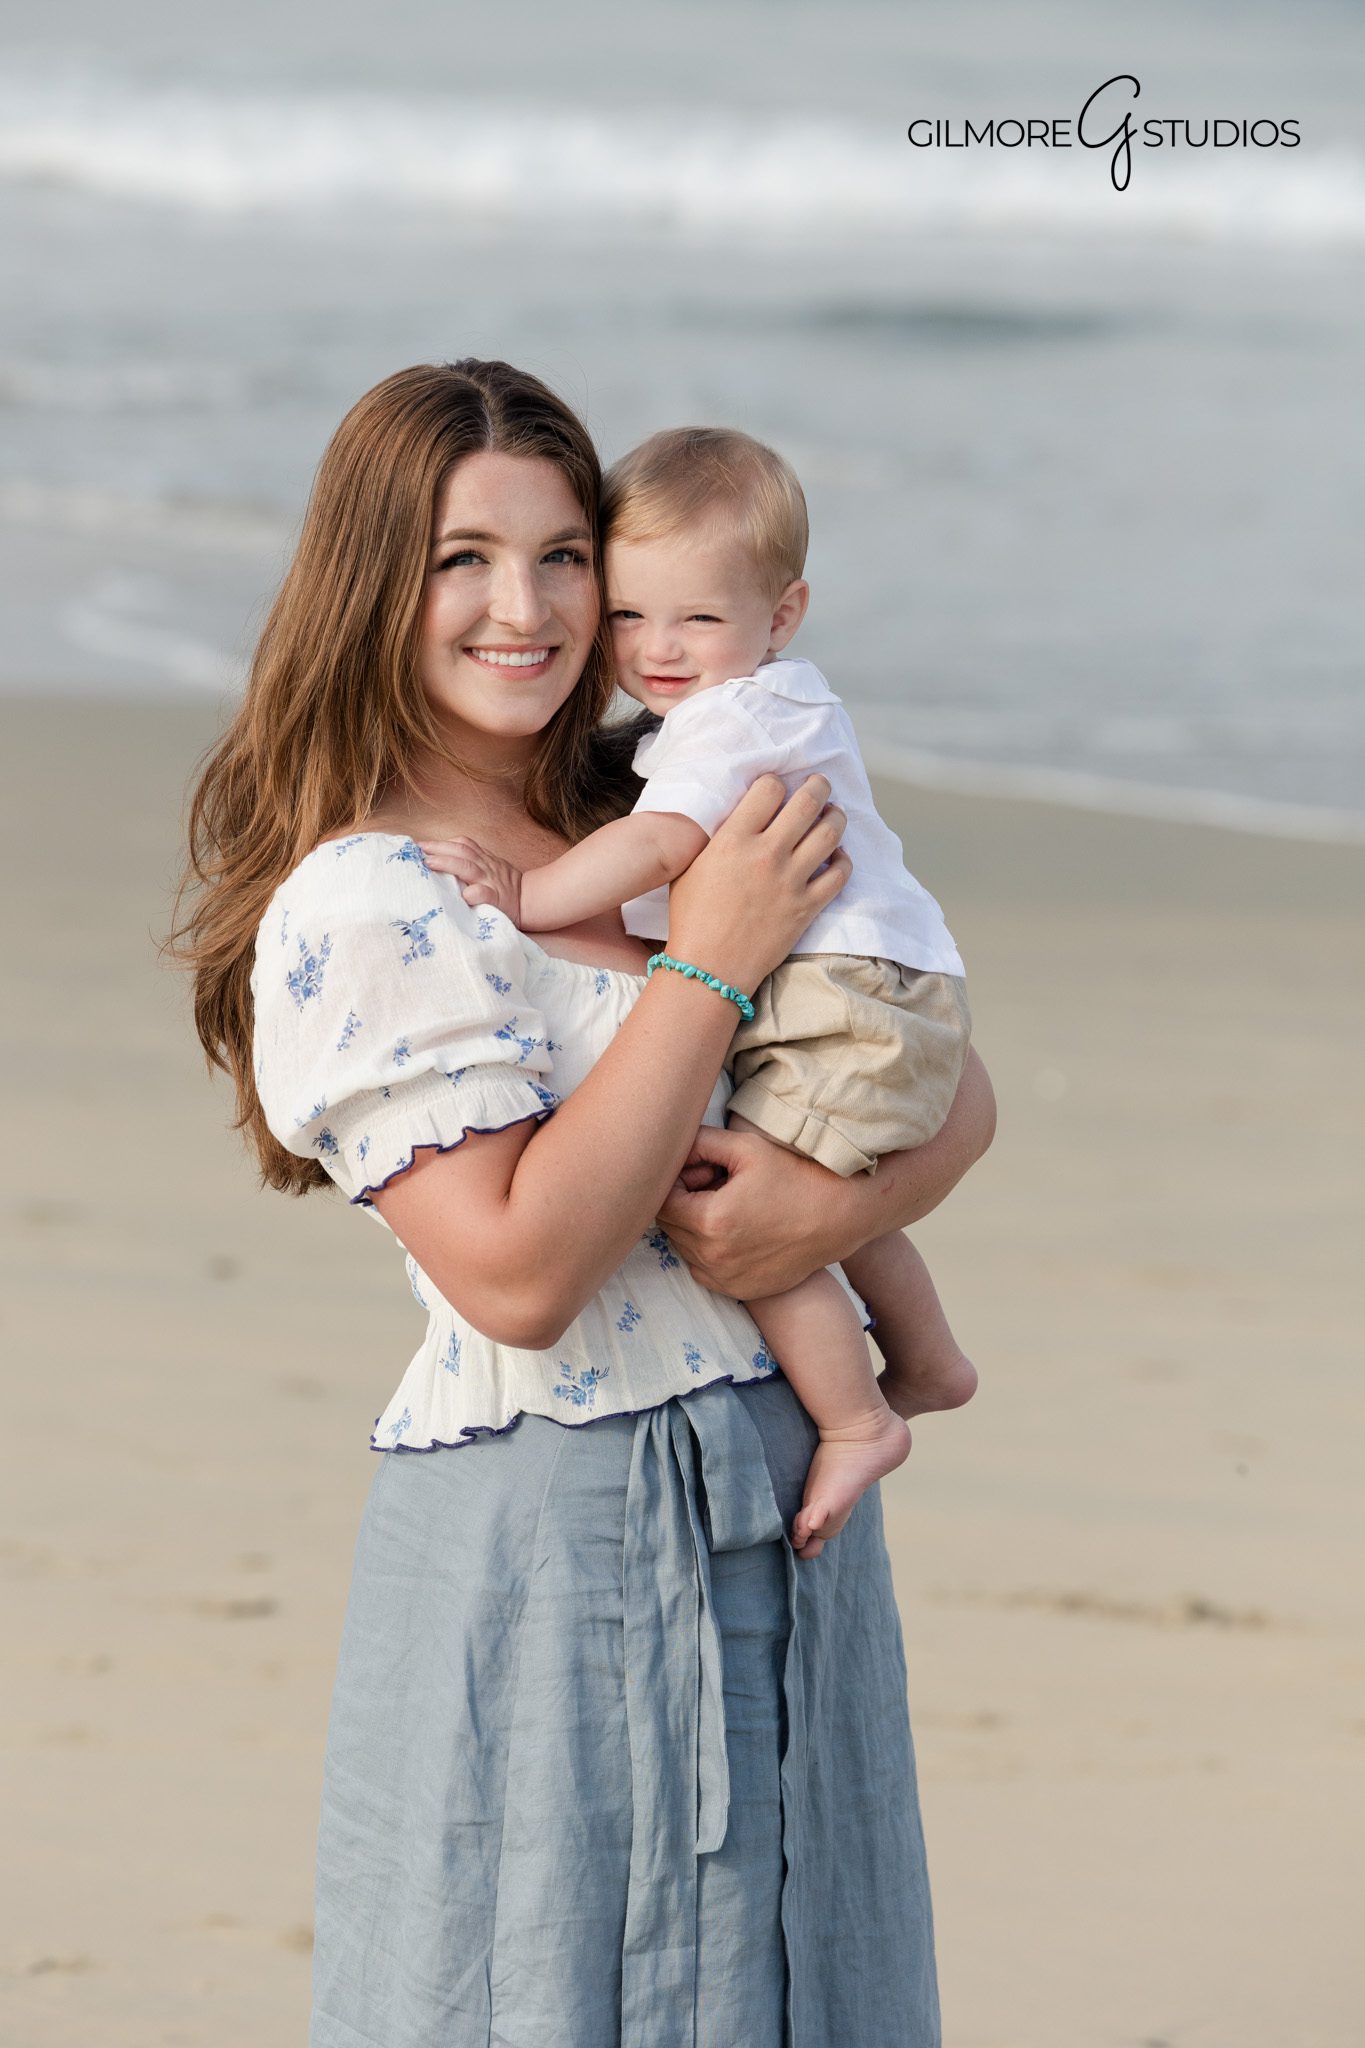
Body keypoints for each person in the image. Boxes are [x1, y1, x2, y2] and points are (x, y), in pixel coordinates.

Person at [173, 358, 995, 2047]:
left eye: (566, 560)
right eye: (463, 558)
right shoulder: (368, 894)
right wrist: (712, 959)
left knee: (811, 1985)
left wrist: (804, 1225)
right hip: (559, 1529)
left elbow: (953, 1093)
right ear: (369, 585)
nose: (525, 608)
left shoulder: (657, 794)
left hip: (785, 1493)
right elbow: (523, 1271)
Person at [418, 425, 976, 1557]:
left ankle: (864, 1411)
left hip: (845, 995)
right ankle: (927, 1359)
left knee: (745, 1211)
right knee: (796, 1184)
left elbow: (664, 842)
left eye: (696, 619)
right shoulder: (730, 712)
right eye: (631, 614)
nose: (656, 647)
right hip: (880, 990)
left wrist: (528, 896)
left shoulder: (731, 722)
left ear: (782, 616)